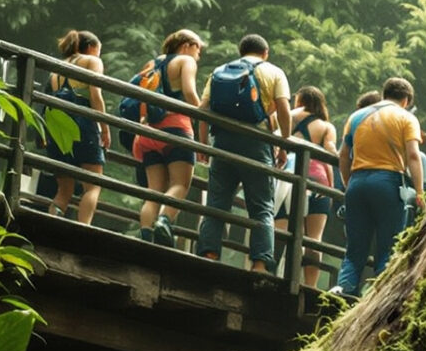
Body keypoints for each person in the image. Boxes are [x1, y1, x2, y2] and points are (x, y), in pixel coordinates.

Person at [193, 34, 292, 272]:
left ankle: (209, 254)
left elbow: (203, 109)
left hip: (223, 141)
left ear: (241, 50)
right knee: (261, 206)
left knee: (217, 202)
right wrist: (284, 144)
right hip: (257, 144)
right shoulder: (273, 72)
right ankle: (259, 264)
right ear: (265, 52)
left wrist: (204, 142)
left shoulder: (221, 70)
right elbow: (284, 111)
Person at [335, 77, 424, 297]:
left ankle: (343, 289)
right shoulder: (406, 118)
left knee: (354, 249)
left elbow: (343, 155)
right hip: (388, 183)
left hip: (357, 183)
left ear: (385, 94)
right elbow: (413, 155)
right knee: (389, 246)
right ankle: (379, 295)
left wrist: (349, 184)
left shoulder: (356, 116)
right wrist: (420, 192)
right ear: (406, 100)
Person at [129, 29, 205, 245]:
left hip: (148, 132)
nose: (198, 56)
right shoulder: (185, 61)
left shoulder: (152, 64)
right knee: (180, 184)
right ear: (187, 45)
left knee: (154, 190)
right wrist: (202, 117)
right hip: (176, 129)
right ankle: (164, 221)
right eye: (198, 50)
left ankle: (145, 232)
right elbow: (190, 93)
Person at [42, 30, 109, 225]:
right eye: (99, 51)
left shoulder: (57, 69)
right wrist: (105, 128)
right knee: (93, 185)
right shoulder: (91, 61)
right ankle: (83, 229)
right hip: (83, 124)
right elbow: (95, 95)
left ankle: (50, 224)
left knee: (63, 190)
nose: (99, 56)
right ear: (90, 47)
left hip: (56, 128)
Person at [277, 86, 340, 285]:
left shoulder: (290, 117)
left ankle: (272, 273)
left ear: (300, 100)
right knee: (314, 239)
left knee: (280, 230)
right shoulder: (326, 126)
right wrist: (330, 186)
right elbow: (330, 153)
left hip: (288, 175)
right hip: (319, 178)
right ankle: (310, 285)